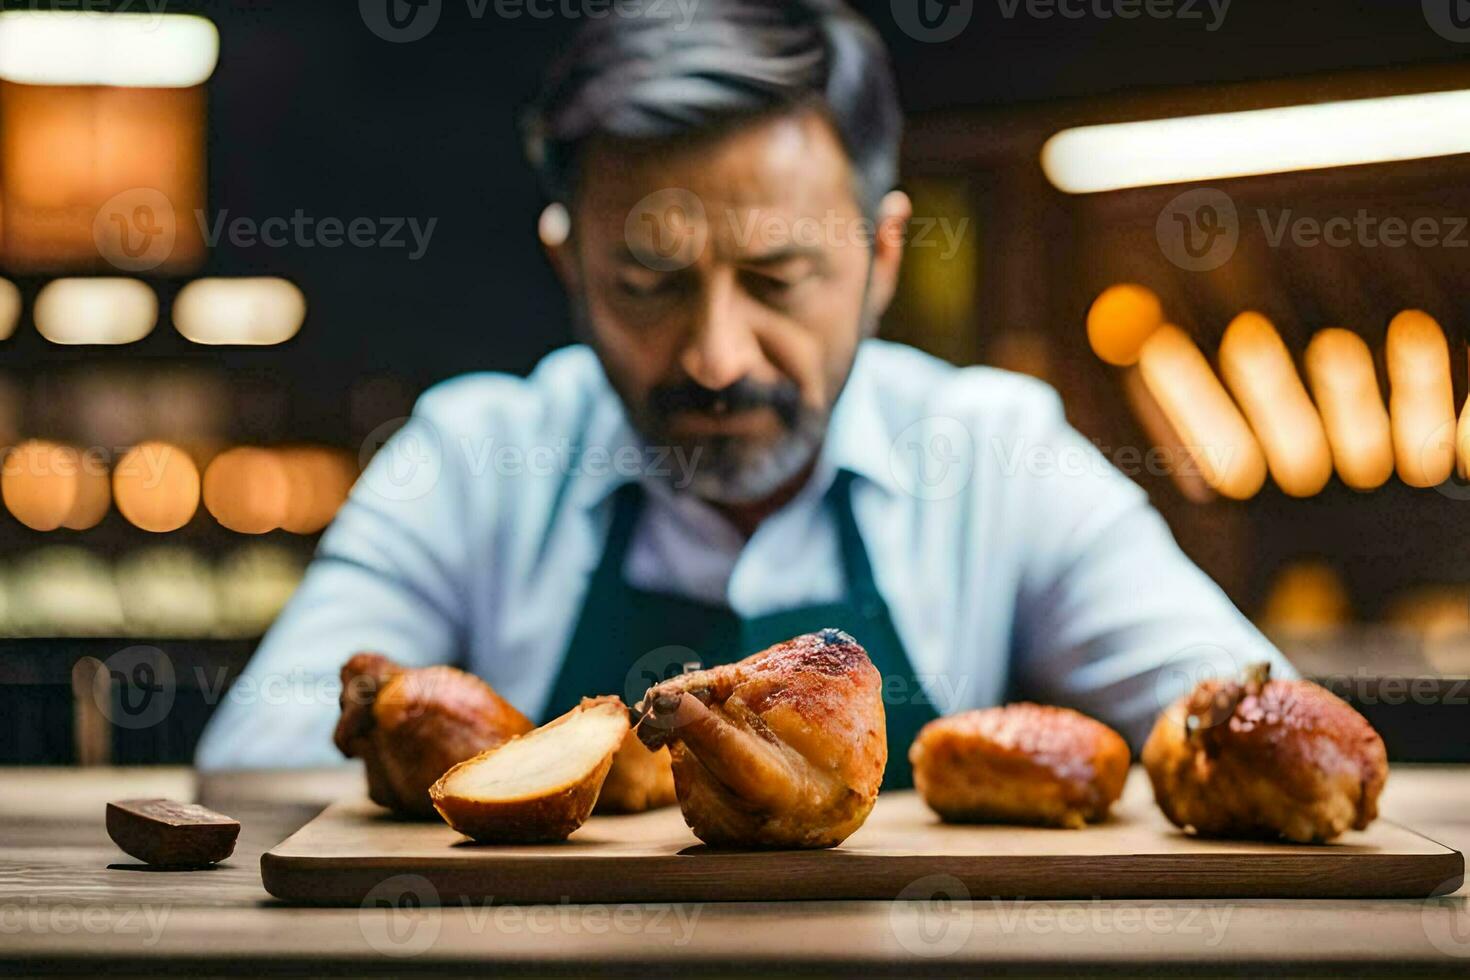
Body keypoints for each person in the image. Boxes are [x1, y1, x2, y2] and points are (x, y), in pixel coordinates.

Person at [196, 0, 1291, 784]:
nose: (718, 356)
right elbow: (256, 765)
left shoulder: (1000, 453)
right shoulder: (469, 457)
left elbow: (1251, 714)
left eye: (779, 278)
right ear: (567, 265)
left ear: (883, 257)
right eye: (648, 283)